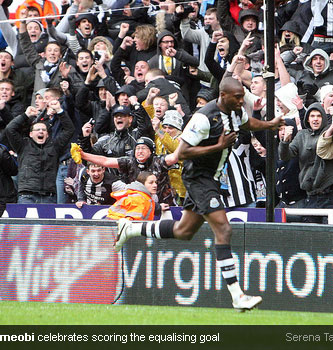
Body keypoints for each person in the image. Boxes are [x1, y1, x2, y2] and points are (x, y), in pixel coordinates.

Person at [104, 77, 283, 311]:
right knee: (224, 228)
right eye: (238, 97)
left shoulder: (234, 111)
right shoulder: (204, 117)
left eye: (242, 96)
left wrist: (270, 124)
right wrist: (217, 147)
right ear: (223, 95)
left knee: (183, 230)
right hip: (198, 177)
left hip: (212, 178)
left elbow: (247, 123)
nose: (242, 100)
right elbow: (183, 152)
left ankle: (131, 229)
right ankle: (237, 295)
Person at [5, 101, 74, 204]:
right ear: (31, 134)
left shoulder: (55, 146)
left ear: (47, 134)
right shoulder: (23, 145)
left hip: (49, 196)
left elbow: (69, 130)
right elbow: (10, 129)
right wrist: (25, 115)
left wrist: (60, 111)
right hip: (27, 196)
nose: (41, 131)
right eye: (37, 130)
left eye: (43, 130)